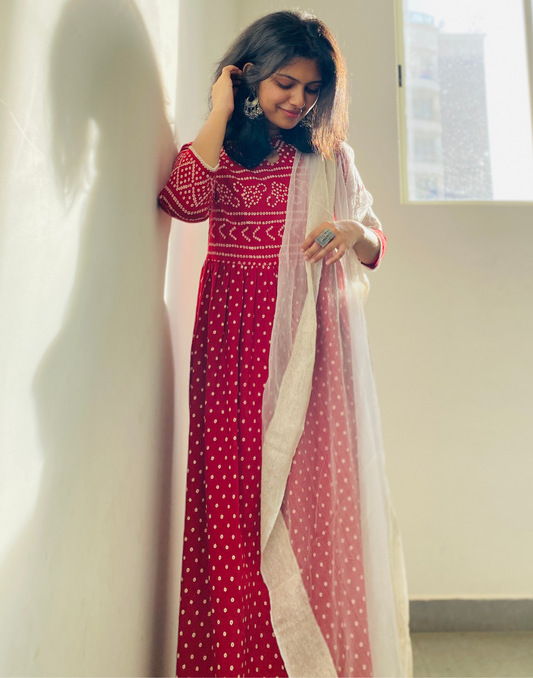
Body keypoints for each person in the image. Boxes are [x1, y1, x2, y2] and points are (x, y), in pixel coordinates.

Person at [158, 10, 412, 678]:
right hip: (229, 345)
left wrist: (349, 233)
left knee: (302, 510)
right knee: (232, 510)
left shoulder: (327, 158)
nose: (297, 100)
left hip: (305, 355)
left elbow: (376, 240)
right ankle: (232, 665)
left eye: (310, 89)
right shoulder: (224, 149)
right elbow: (183, 203)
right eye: (283, 83)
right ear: (249, 76)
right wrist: (219, 106)